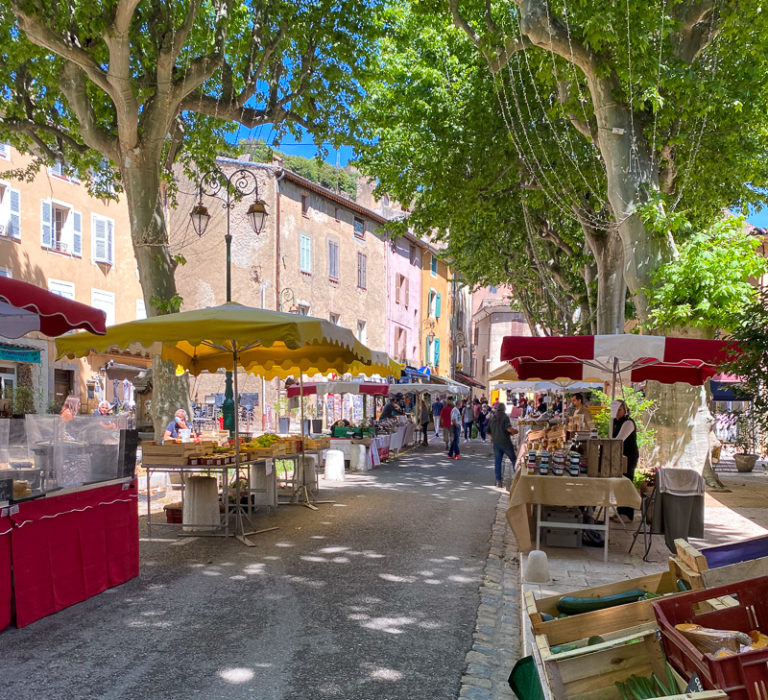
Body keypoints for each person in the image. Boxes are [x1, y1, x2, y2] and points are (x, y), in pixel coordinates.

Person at [612, 400, 639, 524]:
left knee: (626, 483)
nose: (617, 413)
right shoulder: (615, 422)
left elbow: (618, 440)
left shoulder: (628, 422)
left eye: (620, 410)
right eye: (615, 410)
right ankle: (620, 512)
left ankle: (627, 515)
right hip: (620, 457)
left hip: (628, 457)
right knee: (619, 485)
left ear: (625, 410)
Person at [488, 402, 518, 487]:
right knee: (514, 459)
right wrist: (515, 431)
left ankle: (498, 481)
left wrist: (493, 438)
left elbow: (488, 432)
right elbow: (508, 429)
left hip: (496, 443)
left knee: (498, 462)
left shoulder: (493, 417)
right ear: (504, 409)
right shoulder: (505, 417)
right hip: (505, 442)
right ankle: (517, 478)